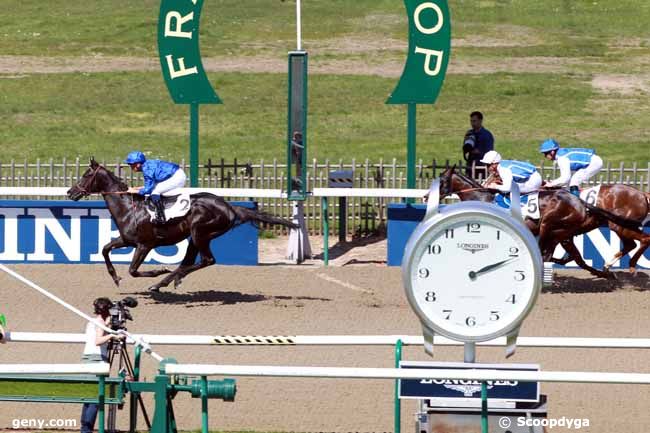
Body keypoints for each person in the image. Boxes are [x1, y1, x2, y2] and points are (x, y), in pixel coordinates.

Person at [80, 298, 123, 433]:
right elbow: (98, 341)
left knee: (88, 396)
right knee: (96, 397)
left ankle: (85, 428)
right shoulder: (100, 323)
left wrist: (108, 326)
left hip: (88, 359)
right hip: (97, 360)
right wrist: (112, 336)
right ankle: (87, 429)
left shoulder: (93, 322)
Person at [124, 151, 187, 224]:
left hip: (177, 177)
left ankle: (161, 216)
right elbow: (150, 185)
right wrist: (136, 188)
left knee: (155, 192)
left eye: (131, 164)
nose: (130, 166)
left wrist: (134, 191)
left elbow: (148, 190)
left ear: (138, 164)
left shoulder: (147, 169)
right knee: (155, 189)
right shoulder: (147, 165)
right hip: (175, 174)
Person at [539, 139, 603, 197]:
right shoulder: (561, 153)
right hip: (593, 161)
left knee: (574, 181)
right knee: (574, 182)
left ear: (552, 152)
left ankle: (578, 205)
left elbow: (565, 178)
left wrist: (551, 184)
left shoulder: (561, 158)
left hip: (593, 163)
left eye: (545, 153)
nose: (545, 156)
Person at [462, 111, 495, 179]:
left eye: (474, 121)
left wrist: (479, 152)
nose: (472, 123)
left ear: (480, 121)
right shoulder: (469, 133)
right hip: (470, 166)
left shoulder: (487, 135)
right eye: (471, 121)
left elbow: (490, 152)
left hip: (482, 167)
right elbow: (466, 148)